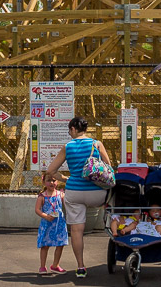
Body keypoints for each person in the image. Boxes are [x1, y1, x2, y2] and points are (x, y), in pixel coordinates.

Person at [44, 116, 112, 278]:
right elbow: (108, 167)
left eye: (69, 130)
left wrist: (65, 179)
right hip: (97, 192)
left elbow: (50, 171)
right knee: (111, 209)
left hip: (74, 192)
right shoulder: (97, 144)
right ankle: (114, 227)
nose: (69, 133)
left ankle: (81, 266)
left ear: (73, 129)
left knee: (77, 230)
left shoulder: (67, 147)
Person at [34, 173, 68, 275]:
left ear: (57, 182)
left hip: (59, 224)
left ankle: (55, 265)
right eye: (49, 180)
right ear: (44, 182)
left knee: (60, 244)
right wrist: (45, 216)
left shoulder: (61, 194)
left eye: (54, 180)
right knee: (45, 245)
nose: (51, 183)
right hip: (47, 224)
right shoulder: (42, 196)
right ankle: (42, 266)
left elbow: (67, 205)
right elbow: (37, 209)